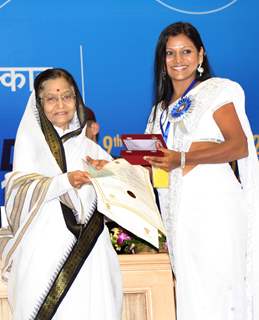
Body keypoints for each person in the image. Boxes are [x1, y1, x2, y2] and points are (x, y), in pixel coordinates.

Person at [144, 22, 259, 320]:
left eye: (186, 52)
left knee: (220, 285)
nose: (178, 60)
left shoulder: (217, 91)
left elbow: (239, 146)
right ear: (162, 59)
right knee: (192, 290)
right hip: (179, 212)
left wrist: (181, 158)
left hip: (215, 206)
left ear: (201, 55)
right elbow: (153, 163)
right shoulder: (159, 110)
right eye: (170, 53)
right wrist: (112, 169)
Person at [0, 68, 122, 319]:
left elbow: (121, 198)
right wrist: (64, 182)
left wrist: (108, 173)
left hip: (91, 255)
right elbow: (16, 195)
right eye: (51, 99)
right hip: (44, 254)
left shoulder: (90, 148)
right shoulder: (30, 148)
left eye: (67, 96)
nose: (60, 105)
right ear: (38, 104)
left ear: (76, 100)